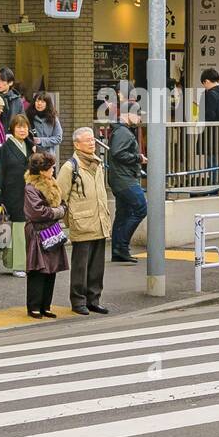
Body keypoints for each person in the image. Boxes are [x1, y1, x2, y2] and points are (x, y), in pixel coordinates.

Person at [58, 126, 111, 316]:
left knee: (97, 265)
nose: (91, 143)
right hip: (81, 222)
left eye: (92, 140)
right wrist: (69, 219)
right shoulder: (70, 167)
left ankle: (94, 299)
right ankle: (78, 300)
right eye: (87, 140)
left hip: (99, 220)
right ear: (76, 144)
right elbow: (59, 196)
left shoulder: (98, 163)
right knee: (81, 265)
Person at [24, 150, 68, 318]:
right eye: (50, 168)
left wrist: (59, 209)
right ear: (42, 170)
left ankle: (46, 305)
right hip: (37, 231)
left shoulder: (52, 182)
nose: (53, 170)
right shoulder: (31, 187)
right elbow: (37, 212)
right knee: (38, 269)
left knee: (51, 269)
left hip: (51, 230)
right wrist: (59, 211)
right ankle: (34, 306)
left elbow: (62, 203)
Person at [0, 113, 33, 277]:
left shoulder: (30, 146)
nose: (23, 130)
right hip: (11, 191)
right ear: (12, 129)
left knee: (24, 227)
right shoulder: (5, 148)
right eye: (19, 127)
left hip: (29, 191)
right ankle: (18, 265)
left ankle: (21, 262)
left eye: (25, 127)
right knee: (16, 227)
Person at [108, 111, 146, 265]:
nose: (140, 118)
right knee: (141, 208)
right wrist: (138, 158)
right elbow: (118, 153)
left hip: (120, 178)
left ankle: (118, 250)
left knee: (123, 213)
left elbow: (118, 153)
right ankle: (122, 246)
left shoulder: (120, 130)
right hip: (125, 179)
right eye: (137, 114)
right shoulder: (123, 132)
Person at [29, 92, 63, 159]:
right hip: (32, 156)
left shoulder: (53, 118)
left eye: (43, 101)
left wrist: (41, 140)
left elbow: (58, 138)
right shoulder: (28, 117)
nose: (39, 103)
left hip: (48, 157)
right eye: (37, 101)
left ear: (48, 104)